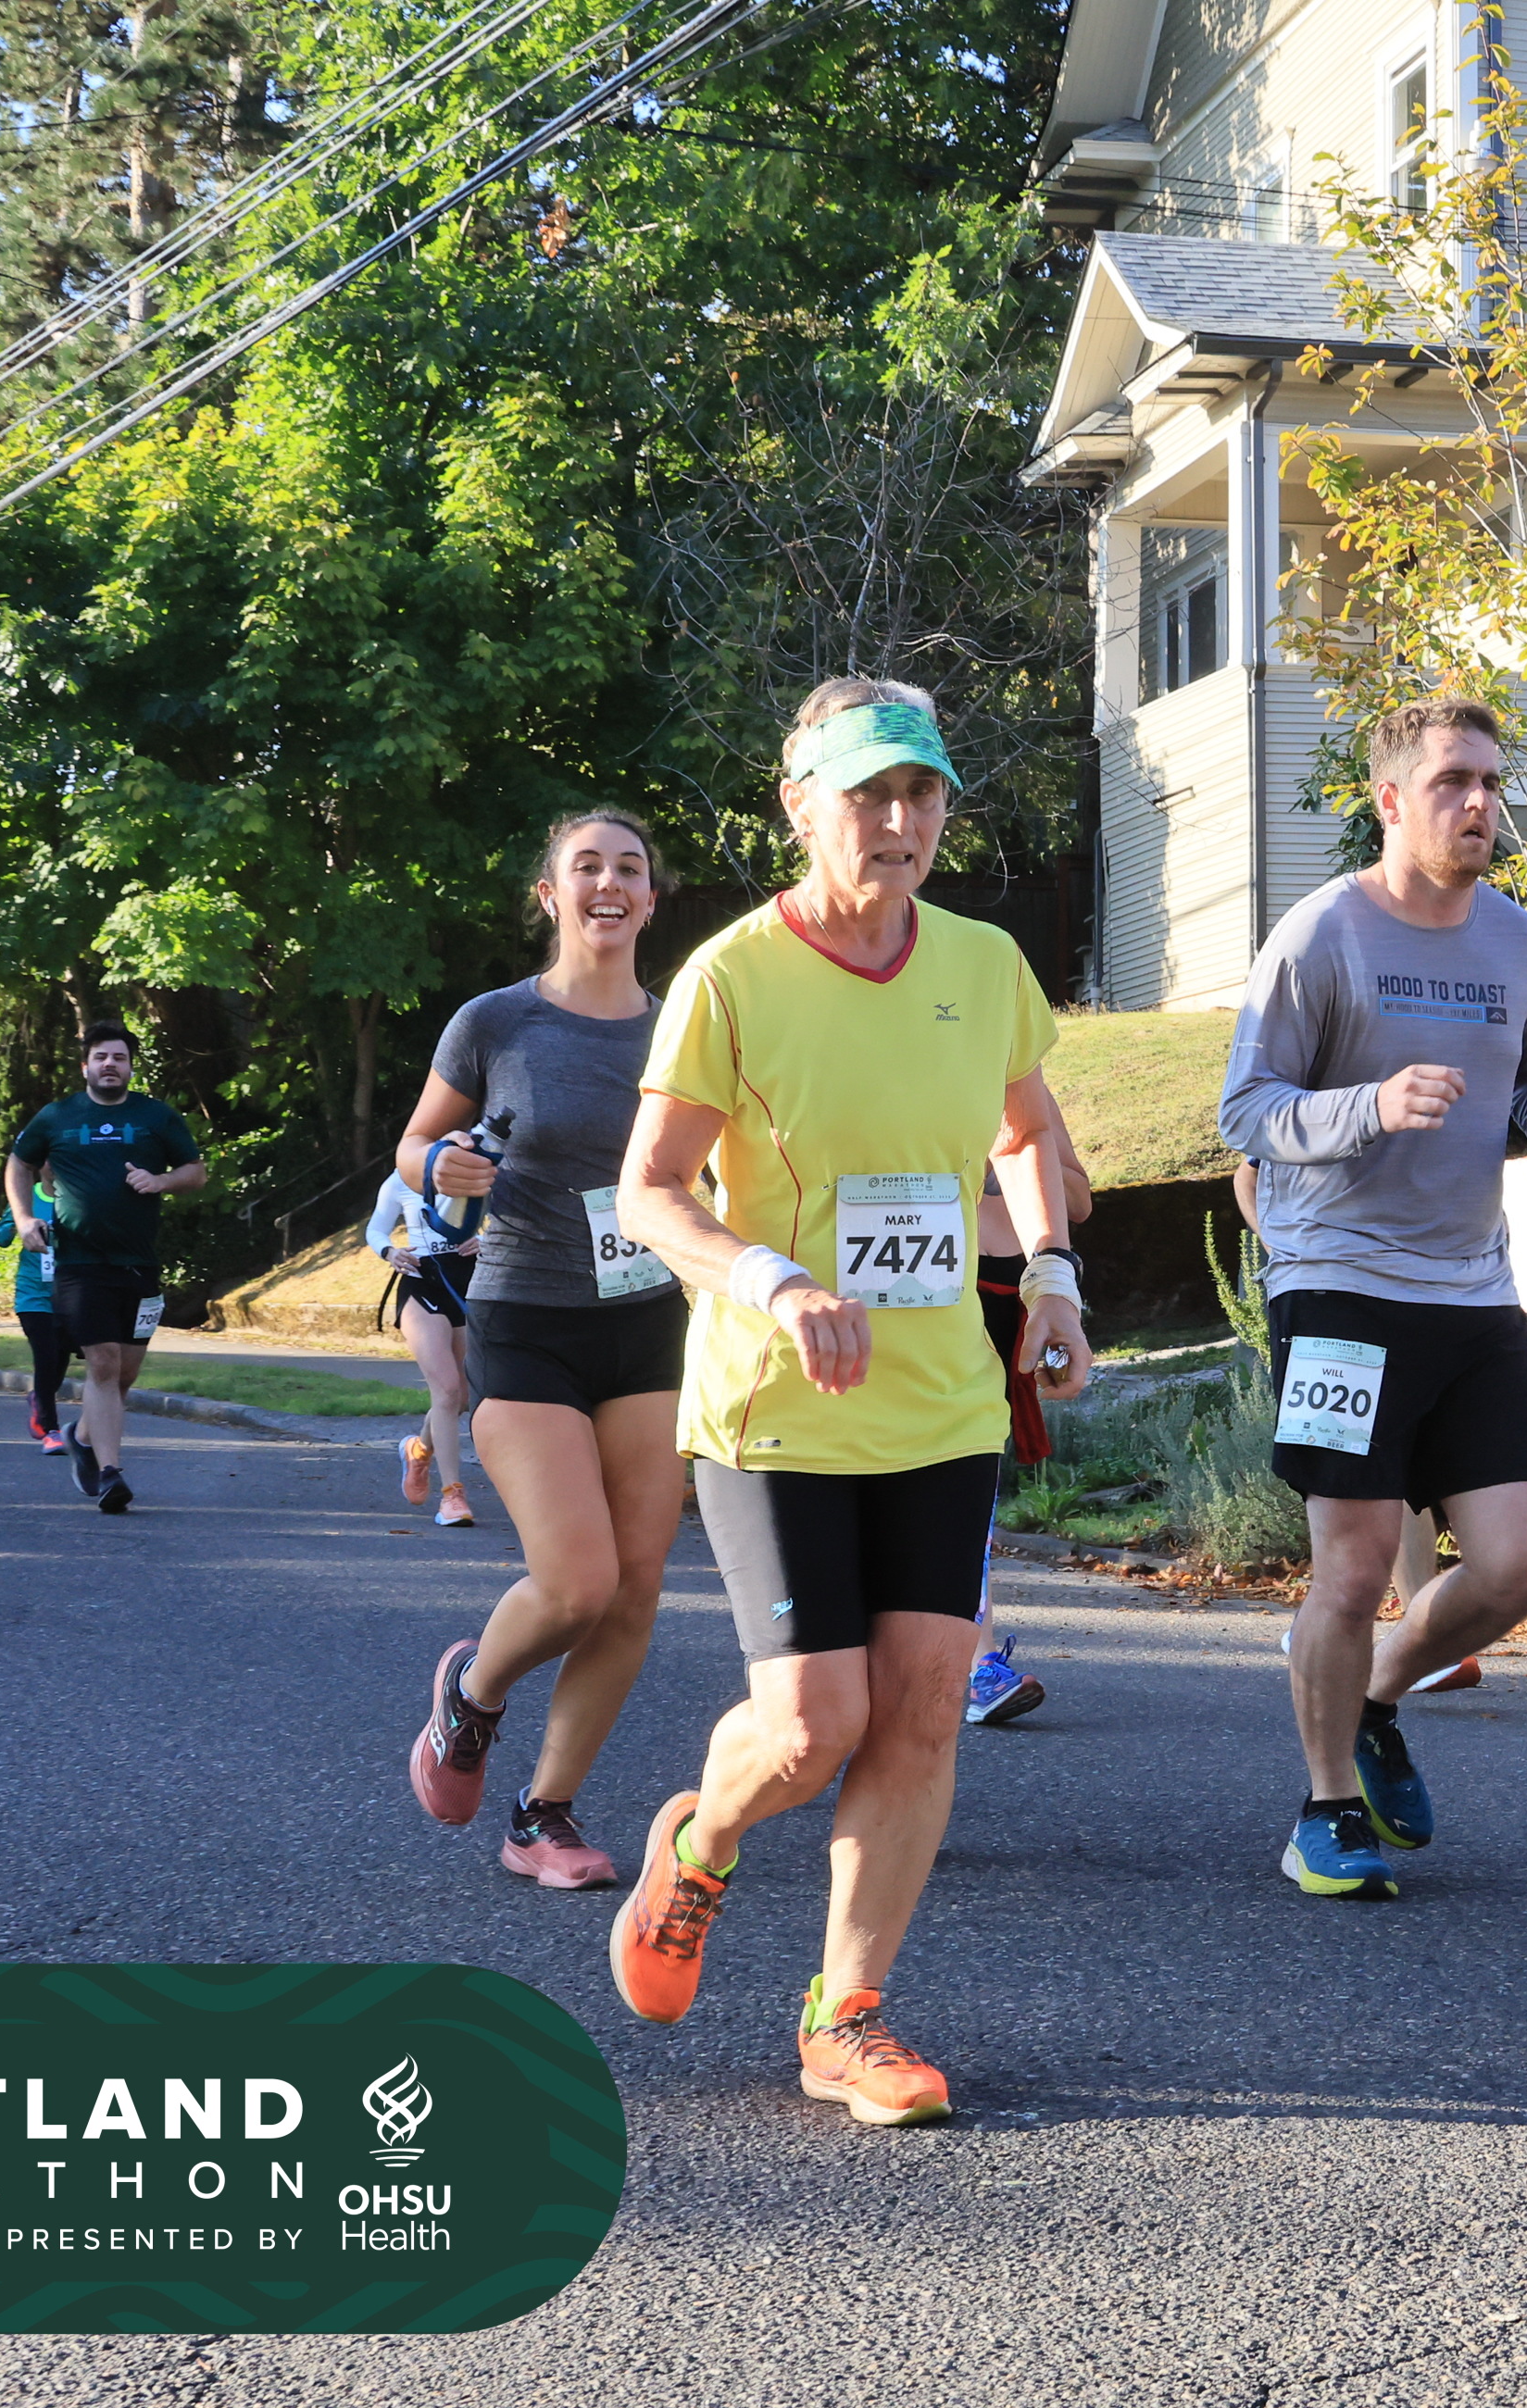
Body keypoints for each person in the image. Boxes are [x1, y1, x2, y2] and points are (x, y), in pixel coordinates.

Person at [605, 677, 1088, 2130]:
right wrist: (773, 1282)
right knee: (812, 1728)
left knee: (926, 1706)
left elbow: (1027, 1132)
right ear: (800, 806)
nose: (899, 820)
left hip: (941, 1401)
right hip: (781, 1403)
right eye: (869, 793)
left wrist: (1051, 1275)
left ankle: (848, 2015)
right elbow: (649, 1193)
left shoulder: (985, 964)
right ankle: (700, 1842)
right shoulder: (733, 977)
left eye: (922, 792)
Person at [1216, 697, 1527, 1903]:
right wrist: (1370, 1107)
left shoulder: (1520, 944)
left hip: (1471, 1286)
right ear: (1391, 800)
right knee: (1347, 1570)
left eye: (1490, 782)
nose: (1480, 803)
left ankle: (1378, 1698)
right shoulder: (1320, 936)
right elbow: (1247, 1111)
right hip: (1337, 1285)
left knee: (1520, 1568)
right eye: (1451, 782)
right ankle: (1324, 1809)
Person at [397, 808, 690, 1890]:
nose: (609, 882)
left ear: (650, 897)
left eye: (629, 868)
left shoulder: (687, 1027)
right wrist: (441, 1165)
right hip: (527, 1318)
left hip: (651, 1322)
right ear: (551, 894)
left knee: (635, 1589)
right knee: (576, 1583)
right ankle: (471, 1694)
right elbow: (415, 1141)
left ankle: (543, 1813)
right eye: (587, 866)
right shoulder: (496, 1021)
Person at [1235, 1156, 1483, 1699]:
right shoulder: (1316, 1110)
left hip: (1418, 1300)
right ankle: (1330, 1628)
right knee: (1344, 1470)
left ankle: (1407, 1631)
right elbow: (1248, 1173)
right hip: (1324, 1305)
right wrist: (1284, 1248)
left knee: (1398, 1464)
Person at [5, 1019, 205, 1514]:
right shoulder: (58, 1116)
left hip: (138, 1264)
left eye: (119, 1057)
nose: (109, 1064)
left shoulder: (155, 1116)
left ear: (131, 1067)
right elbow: (19, 1163)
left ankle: (80, 1436)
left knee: (124, 1375)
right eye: (101, 1057)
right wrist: (24, 1218)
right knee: (103, 1364)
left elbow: (196, 1172)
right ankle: (111, 1472)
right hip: (79, 1263)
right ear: (86, 1066)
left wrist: (160, 1181)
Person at [961, 1152, 1090, 1728]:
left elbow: (1078, 1201)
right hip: (929, 1283)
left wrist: (1004, 1159)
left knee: (970, 1486)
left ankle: (978, 1666)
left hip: (1012, 1287)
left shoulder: (1019, 1100)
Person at [365, 1167, 480, 1528]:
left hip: (467, 1279)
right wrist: (389, 1251)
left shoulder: (477, 1170)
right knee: (446, 1389)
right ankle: (452, 1496)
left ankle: (419, 1449)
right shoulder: (402, 1177)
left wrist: (489, 1239)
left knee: (462, 1397)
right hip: (420, 1279)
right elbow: (375, 1229)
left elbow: (510, 1219)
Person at [0, 1187, 77, 1454]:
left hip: (67, 1292)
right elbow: (1, 1238)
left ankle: (39, 1398)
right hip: (33, 1295)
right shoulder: (26, 1197)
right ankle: (51, 1430)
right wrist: (18, 1225)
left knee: (62, 1354)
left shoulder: (77, 1196)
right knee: (46, 1356)